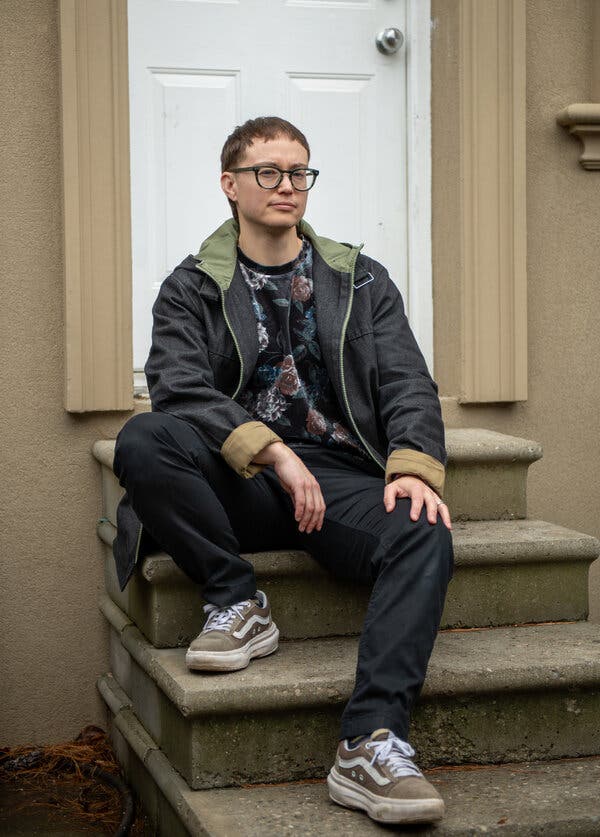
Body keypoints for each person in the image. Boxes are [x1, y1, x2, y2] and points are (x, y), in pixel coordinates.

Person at [112, 116, 454, 826]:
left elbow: (407, 381)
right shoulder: (192, 285)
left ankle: (371, 741)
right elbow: (177, 384)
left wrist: (415, 465)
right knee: (144, 440)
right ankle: (237, 598)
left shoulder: (357, 276)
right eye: (268, 171)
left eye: (298, 171)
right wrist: (274, 450)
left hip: (338, 478)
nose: (286, 185)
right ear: (230, 185)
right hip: (239, 478)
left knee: (423, 528)